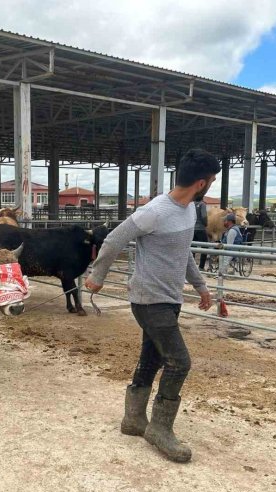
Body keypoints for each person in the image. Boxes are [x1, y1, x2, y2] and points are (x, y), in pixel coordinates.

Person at [84, 148, 218, 463]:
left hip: (170, 299)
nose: (211, 185)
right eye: (211, 180)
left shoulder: (188, 211)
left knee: (152, 358)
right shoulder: (154, 211)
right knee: (179, 362)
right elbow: (114, 239)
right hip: (148, 301)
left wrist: (200, 286)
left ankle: (133, 420)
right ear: (201, 183)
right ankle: (160, 428)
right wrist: (98, 275)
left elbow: (183, 252)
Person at [192, 199, 209, 270]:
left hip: (192, 229)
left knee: (192, 248)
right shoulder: (202, 204)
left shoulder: (191, 204)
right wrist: (205, 224)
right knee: (205, 247)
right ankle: (201, 266)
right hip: (201, 229)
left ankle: (191, 268)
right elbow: (204, 216)